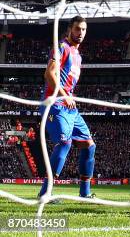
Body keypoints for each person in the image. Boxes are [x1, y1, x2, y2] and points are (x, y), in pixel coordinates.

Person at [39, 16, 96, 200]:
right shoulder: (62, 47)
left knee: (89, 145)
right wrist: (64, 95)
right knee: (65, 142)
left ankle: (85, 193)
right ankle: (45, 194)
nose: (81, 33)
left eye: (84, 30)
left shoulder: (77, 56)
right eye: (78, 29)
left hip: (69, 108)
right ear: (70, 29)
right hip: (54, 104)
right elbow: (49, 73)